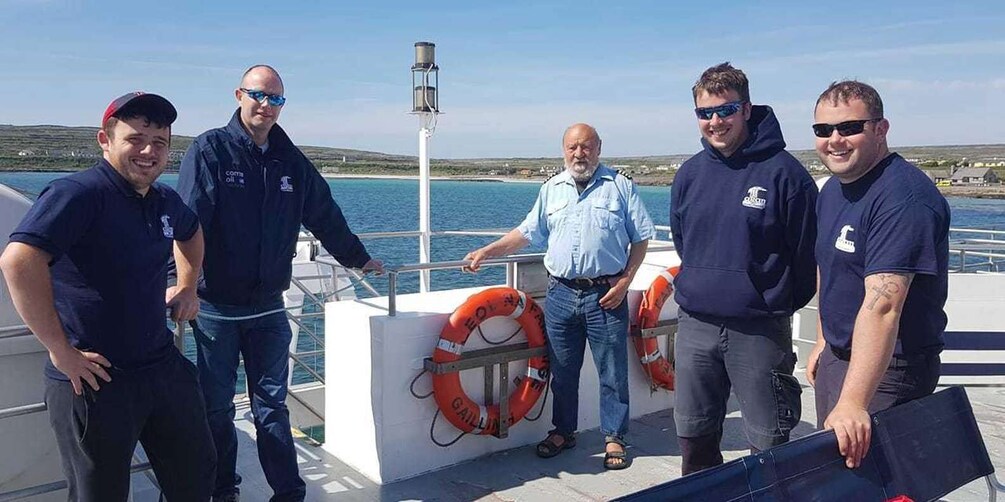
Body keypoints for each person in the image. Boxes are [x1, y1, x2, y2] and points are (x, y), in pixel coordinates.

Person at [177, 65, 383, 502]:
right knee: (215, 408)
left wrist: (358, 258)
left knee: (271, 407)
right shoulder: (210, 150)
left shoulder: (290, 159)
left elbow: (323, 212)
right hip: (216, 309)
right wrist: (179, 284)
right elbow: (186, 222)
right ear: (239, 95)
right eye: (259, 96)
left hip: (269, 306)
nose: (267, 106)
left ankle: (288, 493)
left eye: (276, 99)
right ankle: (222, 489)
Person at [0, 92, 215, 501]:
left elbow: (191, 233)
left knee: (196, 476)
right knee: (98, 494)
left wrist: (187, 286)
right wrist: (61, 352)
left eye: (160, 142)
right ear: (105, 140)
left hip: (160, 365)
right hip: (95, 378)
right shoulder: (78, 194)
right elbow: (18, 263)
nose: (149, 151)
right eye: (135, 139)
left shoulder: (165, 200)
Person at [464, 123, 654, 470]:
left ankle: (615, 438)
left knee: (612, 372)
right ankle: (563, 431)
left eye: (586, 147)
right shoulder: (552, 188)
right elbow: (527, 233)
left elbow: (641, 237)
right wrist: (488, 250)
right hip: (561, 296)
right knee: (563, 371)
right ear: (563, 150)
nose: (579, 154)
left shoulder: (620, 187)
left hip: (605, 296)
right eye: (572, 147)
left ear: (598, 148)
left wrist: (625, 282)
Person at [669, 63, 818, 475]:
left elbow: (805, 255)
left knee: (768, 444)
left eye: (725, 110)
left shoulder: (786, 174)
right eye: (705, 113)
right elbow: (685, 241)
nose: (715, 122)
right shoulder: (688, 175)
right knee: (694, 438)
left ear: (747, 109)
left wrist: (768, 299)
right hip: (696, 324)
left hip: (759, 329)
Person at [807, 80, 948, 469]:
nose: (835, 140)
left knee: (874, 481)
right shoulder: (833, 190)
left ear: (880, 129)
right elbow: (830, 265)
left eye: (849, 127)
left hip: (889, 370)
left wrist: (853, 401)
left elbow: (883, 305)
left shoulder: (904, 199)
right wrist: (823, 339)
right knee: (836, 477)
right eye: (823, 130)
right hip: (840, 357)